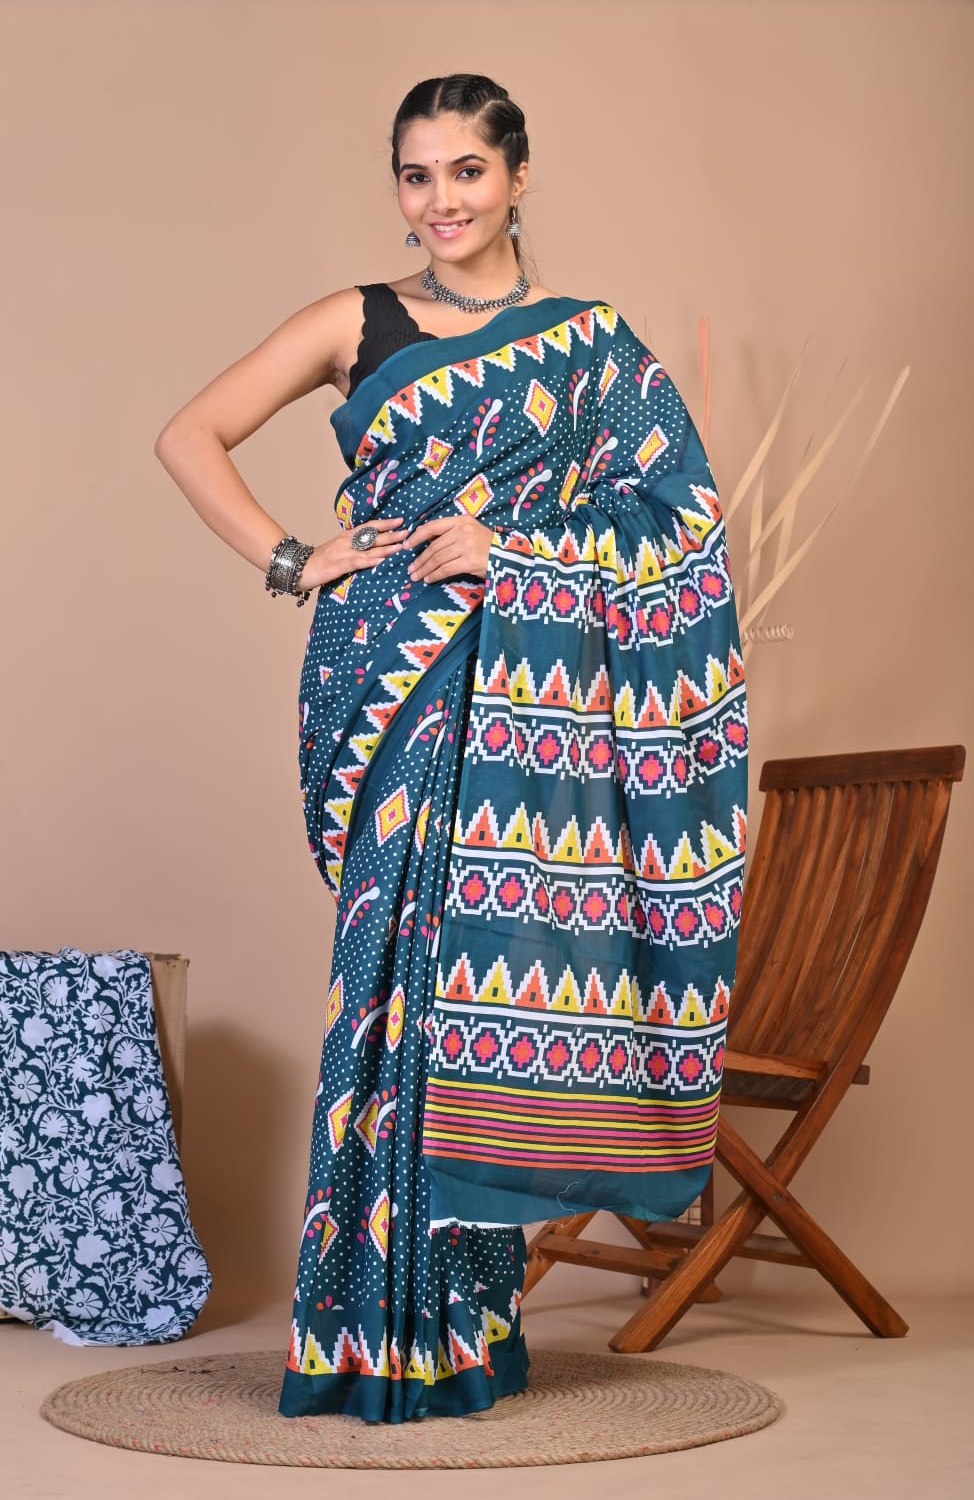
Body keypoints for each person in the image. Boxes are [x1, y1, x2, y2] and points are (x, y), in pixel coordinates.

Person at [155, 72, 748, 1425]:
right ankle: (361, 1325)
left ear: (517, 178)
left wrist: (516, 545)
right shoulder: (354, 320)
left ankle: (458, 1329)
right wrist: (295, 559)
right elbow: (189, 436)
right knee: (391, 977)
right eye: (416, 176)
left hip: (532, 700)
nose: (441, 201)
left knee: (463, 986)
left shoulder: (592, 345)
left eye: (467, 172)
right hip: (391, 677)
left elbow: (684, 523)